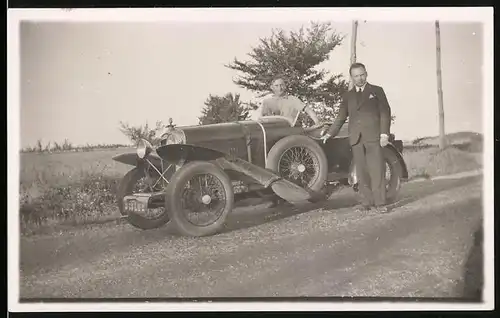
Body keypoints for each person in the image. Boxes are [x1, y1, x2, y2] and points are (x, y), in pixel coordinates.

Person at [320, 63, 392, 213]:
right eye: (356, 76)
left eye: (362, 75)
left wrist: (384, 134)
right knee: (362, 172)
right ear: (352, 78)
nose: (360, 78)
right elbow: (341, 117)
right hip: (356, 139)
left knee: (376, 170)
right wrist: (330, 133)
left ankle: (380, 204)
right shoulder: (348, 96)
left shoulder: (377, 91)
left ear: (366, 74)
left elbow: (385, 112)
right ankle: (366, 202)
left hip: (374, 137)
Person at [260, 76, 322, 208]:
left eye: (282, 85)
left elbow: (307, 109)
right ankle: (276, 198)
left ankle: (295, 194)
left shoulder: (292, 99)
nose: (280, 88)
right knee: (272, 166)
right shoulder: (267, 102)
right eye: (276, 85)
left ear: (285, 86)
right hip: (273, 137)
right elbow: (263, 120)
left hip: (290, 136)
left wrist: (317, 122)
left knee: (290, 168)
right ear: (272, 87)